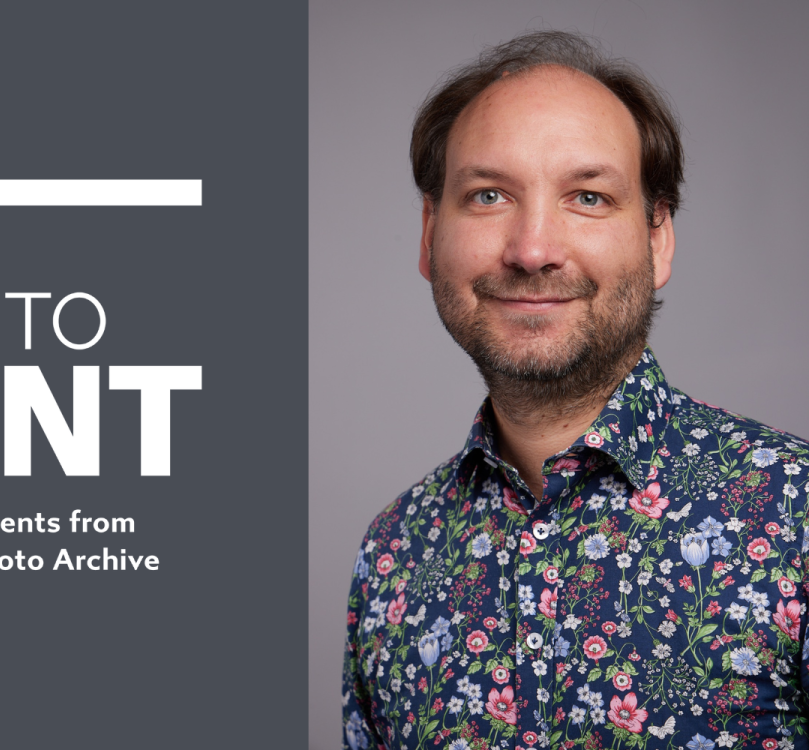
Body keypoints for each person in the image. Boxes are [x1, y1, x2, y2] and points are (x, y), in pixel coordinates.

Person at [342, 30, 809, 750]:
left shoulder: (796, 515)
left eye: (588, 197)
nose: (532, 250)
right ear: (431, 232)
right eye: (488, 195)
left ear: (657, 238)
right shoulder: (392, 556)